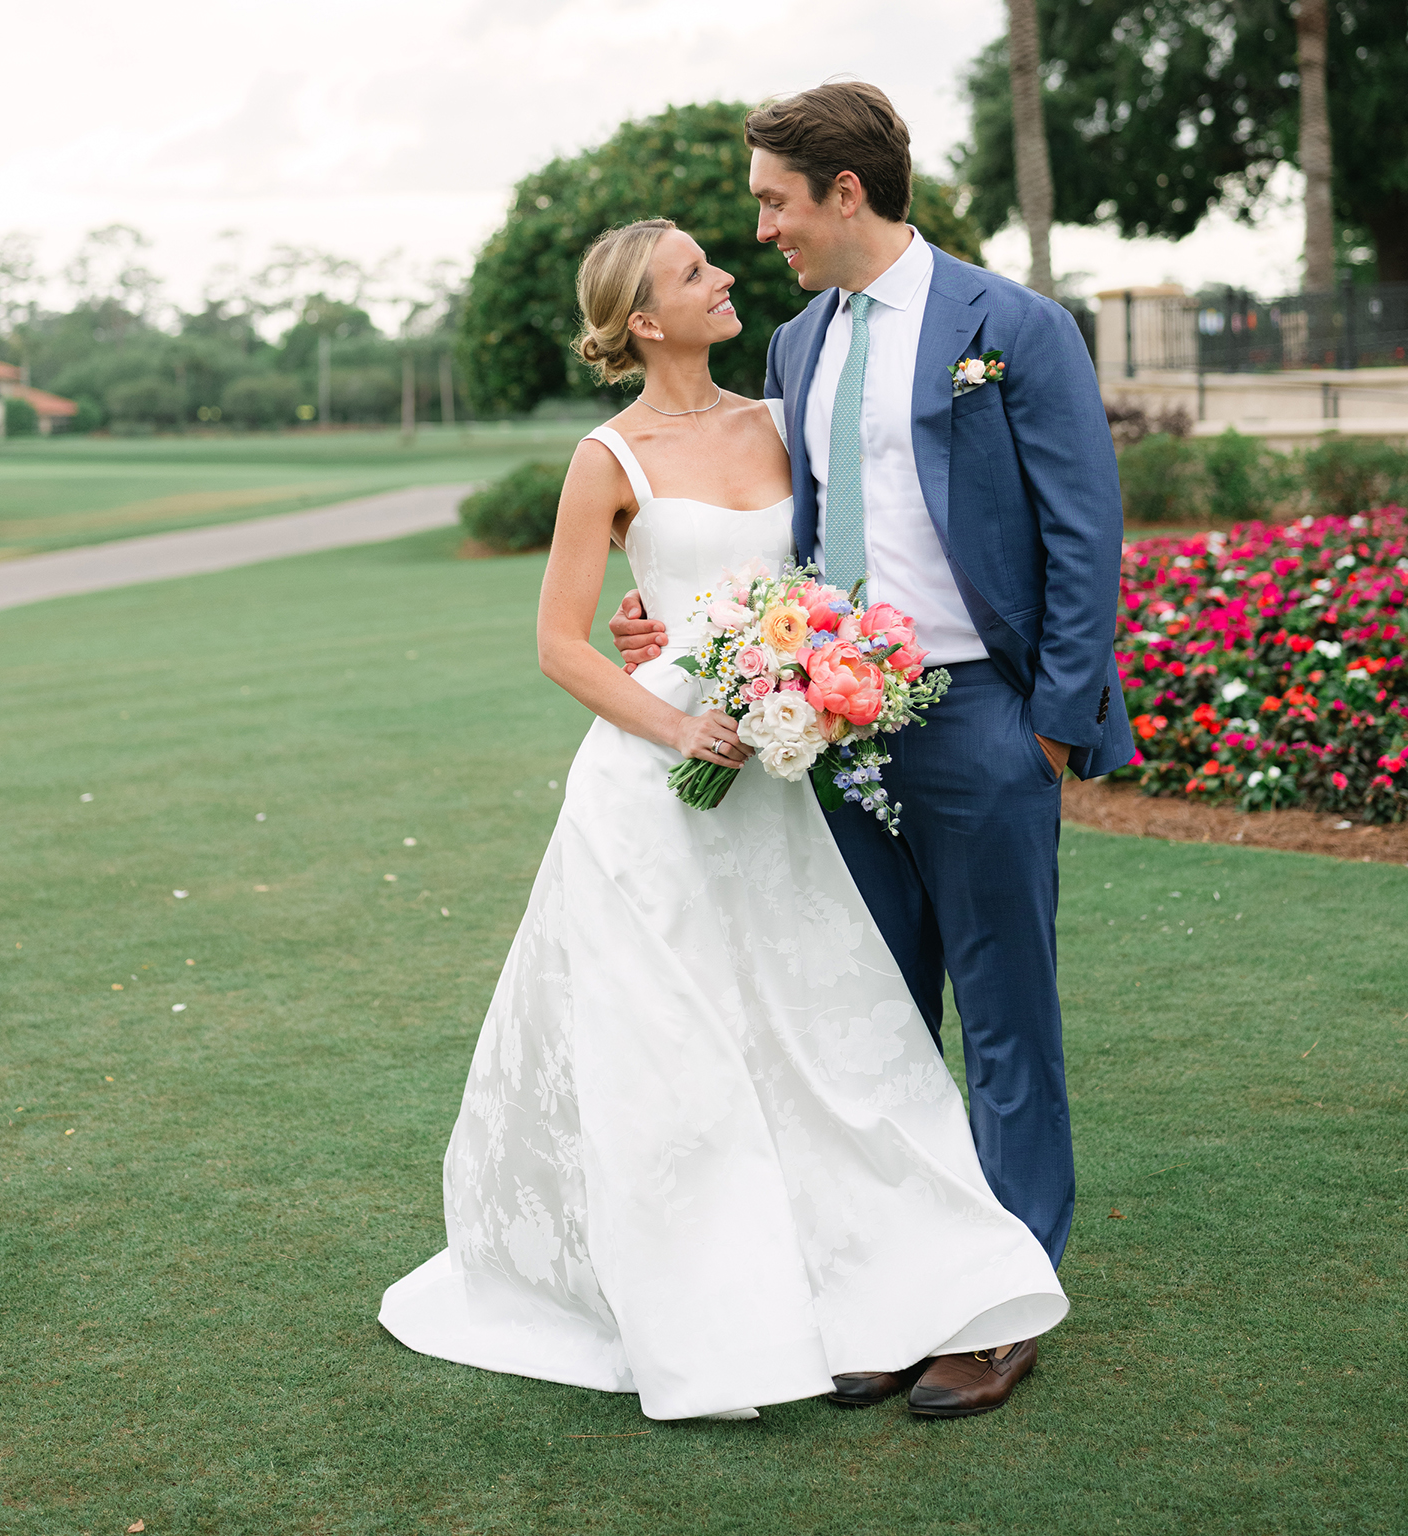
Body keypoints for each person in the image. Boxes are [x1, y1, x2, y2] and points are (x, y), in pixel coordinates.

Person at [379, 216, 1067, 1423]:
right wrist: (676, 717)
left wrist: (798, 677)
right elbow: (557, 644)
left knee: (809, 1029)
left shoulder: (776, 416)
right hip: (660, 782)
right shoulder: (609, 456)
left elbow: (829, 567)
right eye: (698, 270)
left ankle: (883, 1272)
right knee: (674, 1046)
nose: (727, 273)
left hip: (782, 763)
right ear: (645, 320)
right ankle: (699, 1303)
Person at [608, 83, 1133, 1419]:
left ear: (848, 191)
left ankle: (1002, 1306)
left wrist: (1054, 726)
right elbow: (776, 535)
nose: (763, 228)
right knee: (874, 1027)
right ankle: (903, 1290)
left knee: (1008, 1023)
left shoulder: (1011, 328)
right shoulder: (794, 348)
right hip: (828, 733)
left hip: (979, 719)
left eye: (775, 201)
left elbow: (1085, 535)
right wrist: (664, 622)